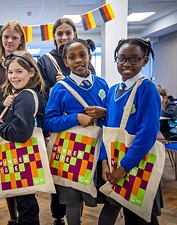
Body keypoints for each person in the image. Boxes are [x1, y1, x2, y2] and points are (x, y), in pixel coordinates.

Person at [43, 38, 108, 225]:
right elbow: (49, 122)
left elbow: (112, 120)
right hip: (70, 154)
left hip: (98, 151)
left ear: (90, 57)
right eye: (72, 57)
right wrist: (75, 118)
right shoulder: (59, 89)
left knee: (100, 197)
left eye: (82, 55)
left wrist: (105, 112)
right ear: (66, 62)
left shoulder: (102, 85)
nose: (78, 60)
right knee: (72, 200)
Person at [37, 18, 95, 225]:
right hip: (62, 131)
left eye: (68, 33)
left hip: (89, 134)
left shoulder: (86, 61)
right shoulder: (45, 60)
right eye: (59, 33)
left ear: (75, 34)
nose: (64, 37)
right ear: (54, 36)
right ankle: (58, 217)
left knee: (85, 178)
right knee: (62, 180)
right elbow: (41, 93)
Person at [99, 38, 163, 225]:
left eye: (134, 59)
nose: (127, 64)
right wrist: (104, 161)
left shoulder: (147, 89)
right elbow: (107, 130)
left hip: (138, 162)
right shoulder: (112, 91)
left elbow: (147, 134)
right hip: (115, 162)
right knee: (128, 212)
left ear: (145, 61)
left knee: (143, 215)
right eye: (122, 59)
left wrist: (124, 167)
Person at [0, 50, 46, 225]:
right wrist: (2, 105)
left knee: (27, 206)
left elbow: (20, 134)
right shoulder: (21, 94)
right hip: (26, 159)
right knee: (26, 202)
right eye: (10, 72)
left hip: (23, 158)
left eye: (19, 71)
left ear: (31, 72)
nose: (13, 76)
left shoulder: (26, 97)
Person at [0, 19, 26, 225]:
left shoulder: (28, 64)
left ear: (21, 40)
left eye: (14, 37)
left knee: (23, 172)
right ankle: (12, 217)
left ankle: (25, 214)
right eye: (6, 37)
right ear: (1, 39)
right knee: (6, 174)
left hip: (21, 125)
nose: (10, 40)